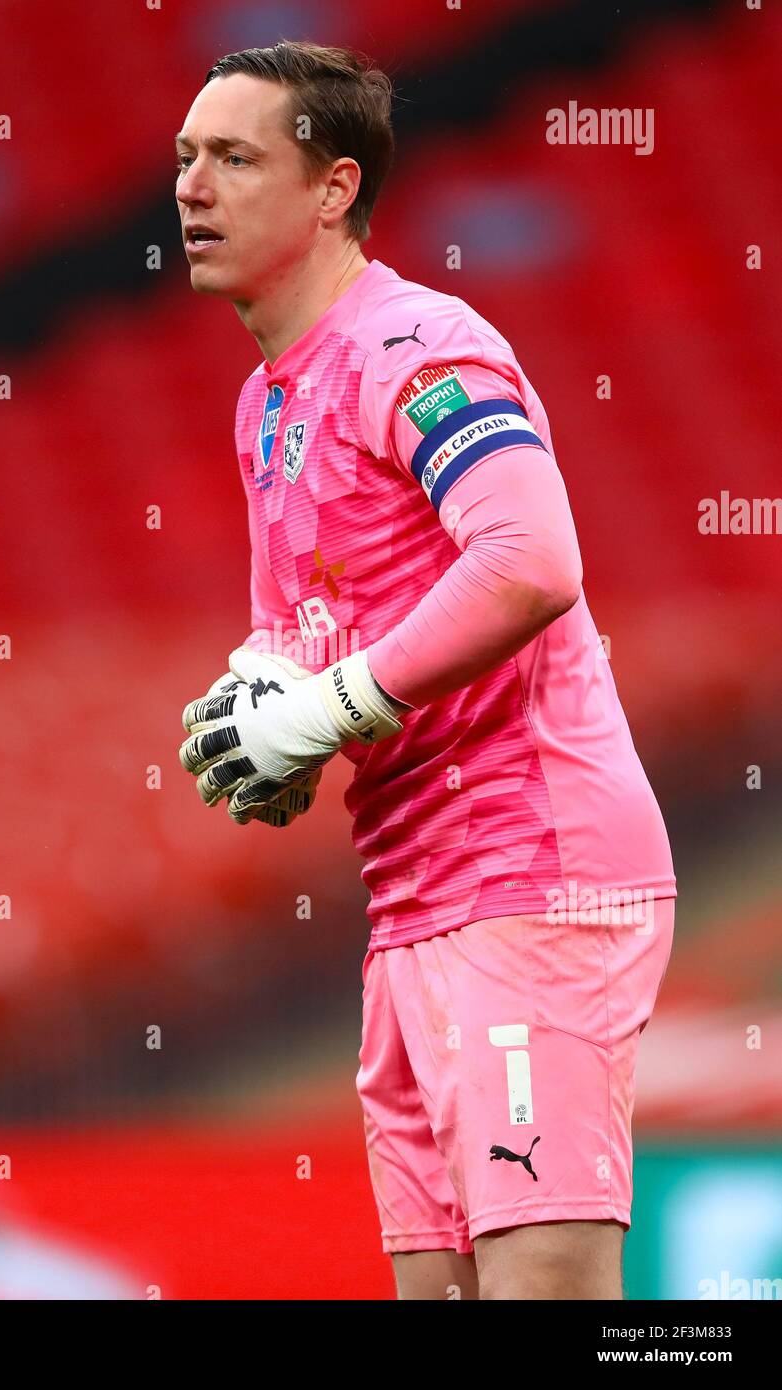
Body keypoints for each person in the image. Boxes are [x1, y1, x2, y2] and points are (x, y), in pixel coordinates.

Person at [175, 39, 676, 1300]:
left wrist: (334, 705)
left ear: (333, 188)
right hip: (411, 895)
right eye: (185, 157)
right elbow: (302, 634)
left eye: (234, 158)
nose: (191, 187)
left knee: (542, 1290)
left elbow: (526, 558)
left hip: (528, 867)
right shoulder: (268, 400)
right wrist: (266, 717)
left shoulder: (411, 342)